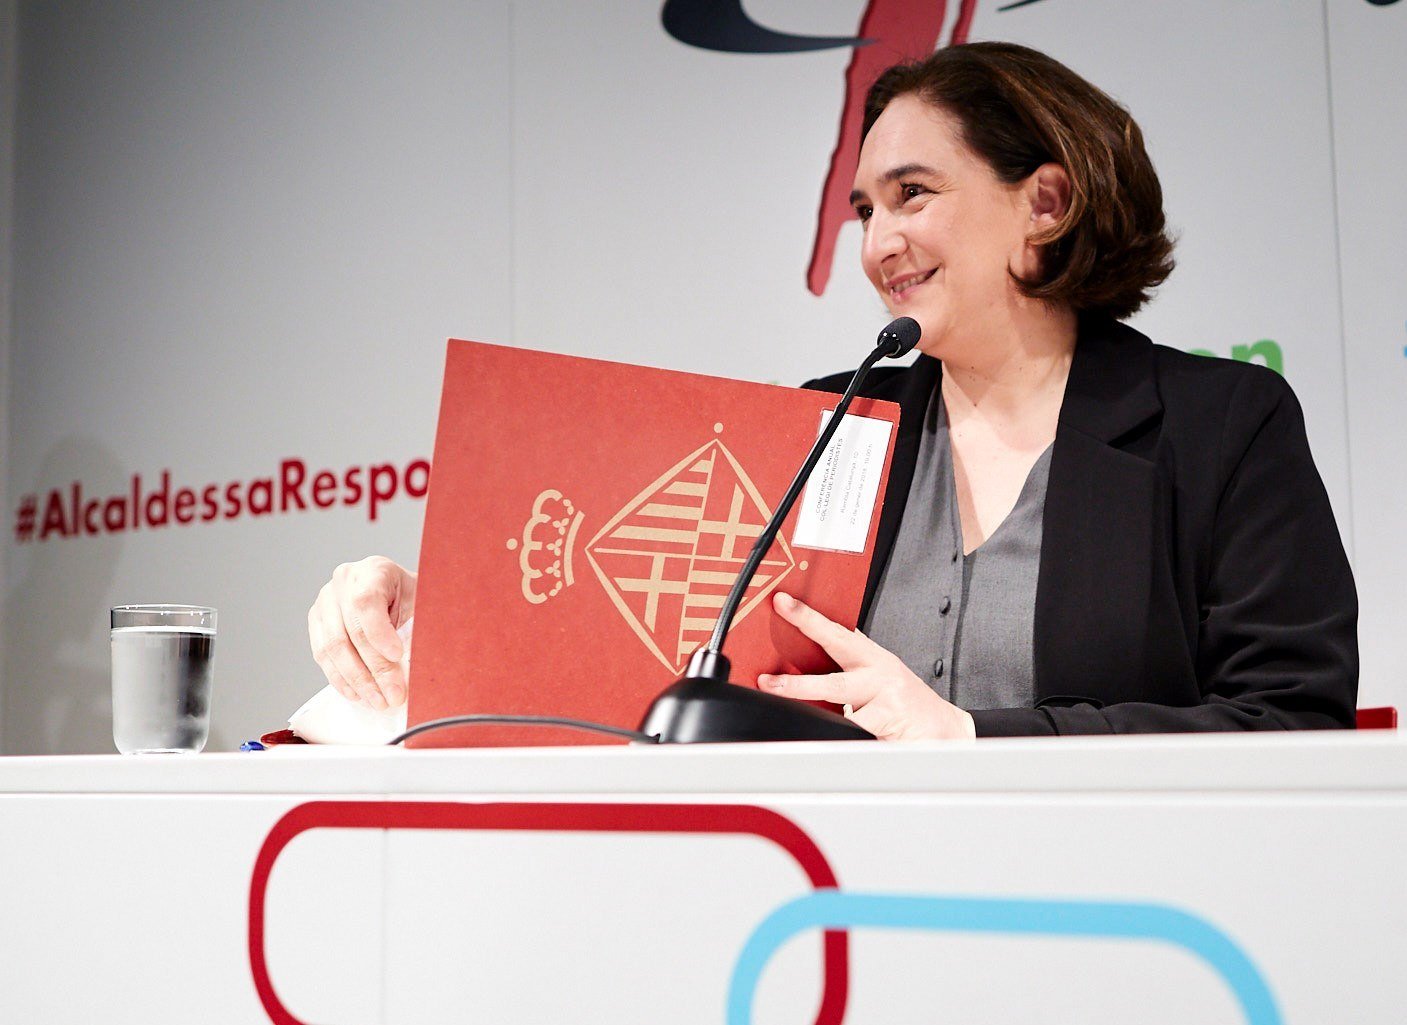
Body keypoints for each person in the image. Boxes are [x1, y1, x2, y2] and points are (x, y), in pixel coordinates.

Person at [307, 42, 1357, 740]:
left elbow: (1292, 720)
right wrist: (431, 615)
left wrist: (972, 737)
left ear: (1045, 202)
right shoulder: (830, 426)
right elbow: (641, 641)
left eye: (913, 194)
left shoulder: (1221, 425)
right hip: (827, 919)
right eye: (863, 210)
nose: (877, 244)